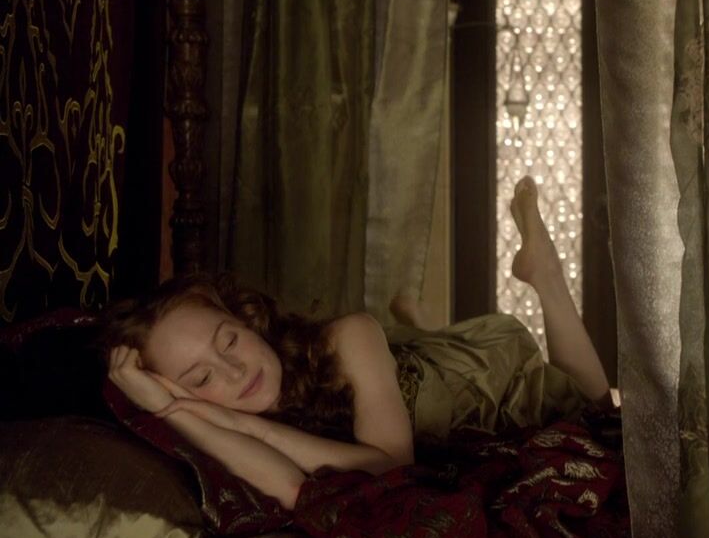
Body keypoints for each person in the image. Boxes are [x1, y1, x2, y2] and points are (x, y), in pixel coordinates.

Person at [103, 176, 611, 511]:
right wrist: (174, 410)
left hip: (475, 385)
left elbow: (391, 467)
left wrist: (236, 422)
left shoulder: (346, 335)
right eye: (201, 378)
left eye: (229, 340)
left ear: (248, 319)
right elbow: (294, 488)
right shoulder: (212, 409)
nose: (235, 371)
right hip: (399, 391)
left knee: (591, 413)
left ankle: (545, 274)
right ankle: (418, 325)